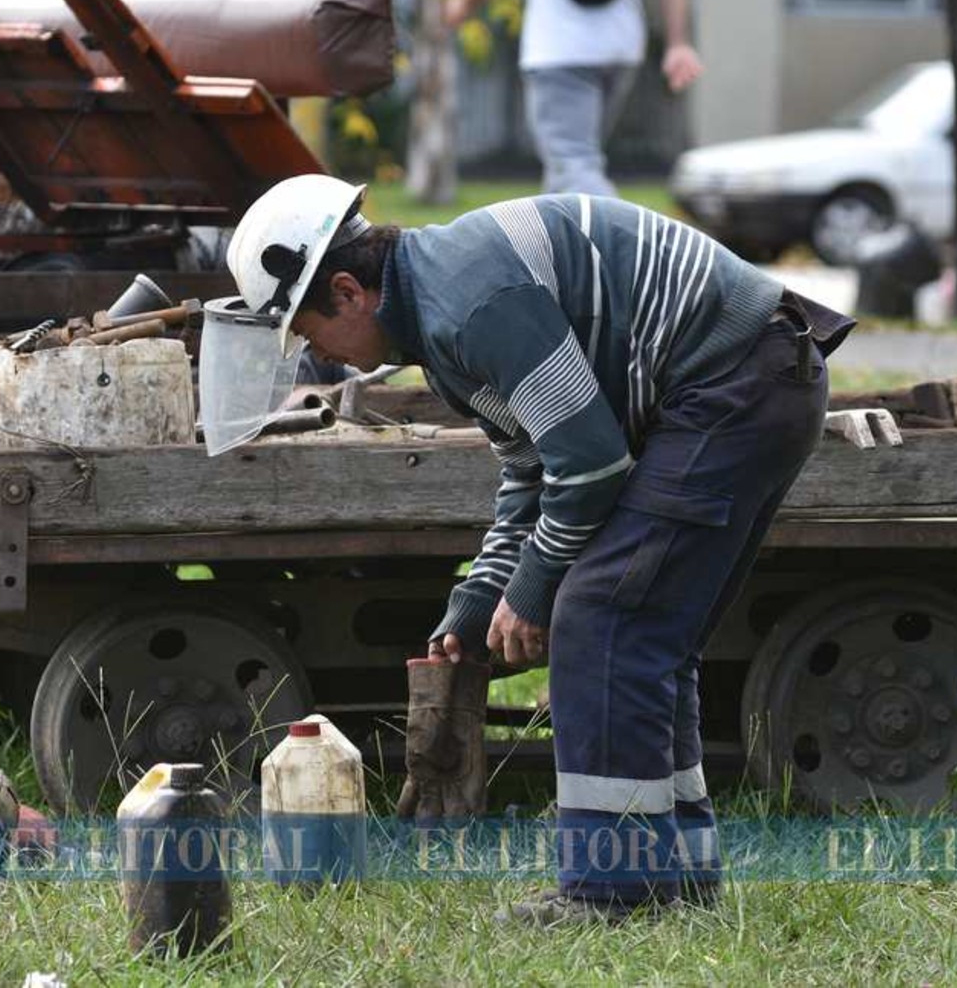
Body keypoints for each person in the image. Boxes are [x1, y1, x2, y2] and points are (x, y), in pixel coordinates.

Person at [216, 174, 854, 923]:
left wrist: (534, 588)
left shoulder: (469, 303)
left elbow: (588, 462)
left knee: (601, 617)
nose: (316, 353)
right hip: (750, 380)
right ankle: (675, 874)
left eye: (306, 330)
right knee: (647, 634)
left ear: (350, 292)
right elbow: (529, 470)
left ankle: (610, 892)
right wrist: (476, 599)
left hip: (736, 382)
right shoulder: (439, 315)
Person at [444, 0, 704, 196]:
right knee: (567, 165)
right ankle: (554, 238)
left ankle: (621, 237)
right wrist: (678, 43)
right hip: (621, 46)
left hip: (559, 47)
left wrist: (465, 3)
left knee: (574, 166)